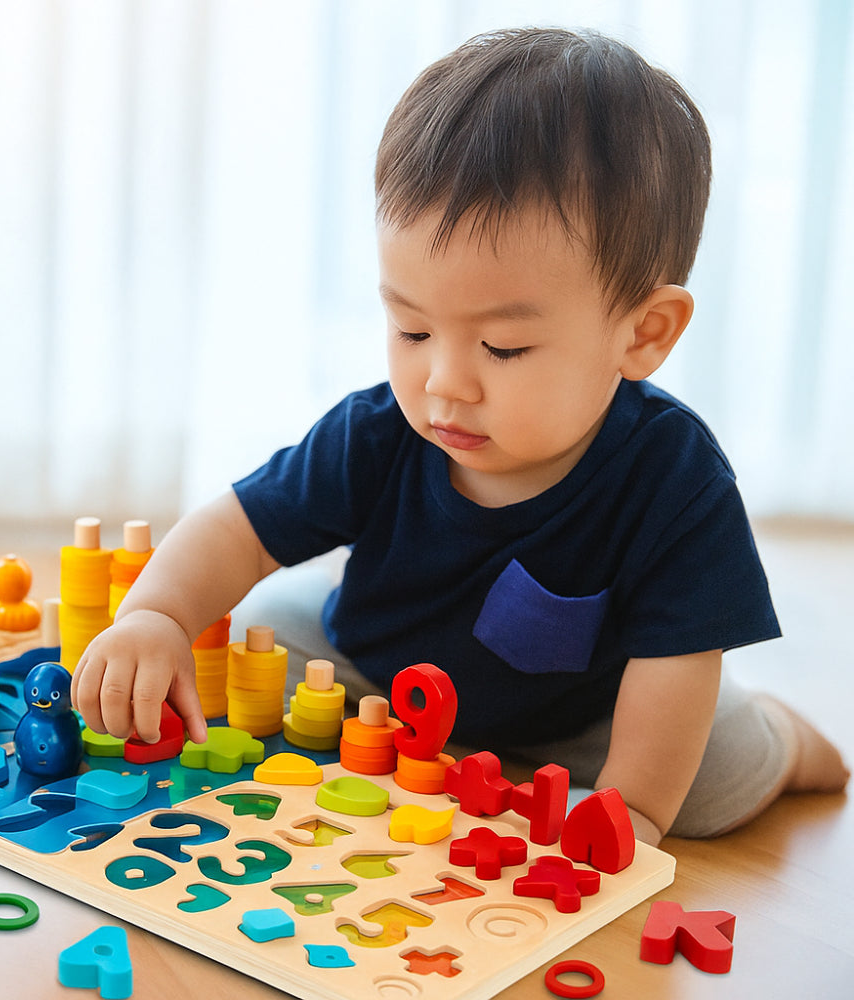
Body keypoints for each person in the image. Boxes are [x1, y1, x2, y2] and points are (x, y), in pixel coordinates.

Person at [72, 27, 848, 845]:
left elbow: (673, 668)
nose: (443, 382)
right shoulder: (378, 430)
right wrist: (156, 615)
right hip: (377, 666)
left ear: (644, 332)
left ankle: (789, 741)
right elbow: (239, 528)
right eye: (411, 330)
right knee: (260, 652)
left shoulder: (675, 478)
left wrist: (634, 816)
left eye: (502, 347)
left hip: (585, 716)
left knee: (710, 781)